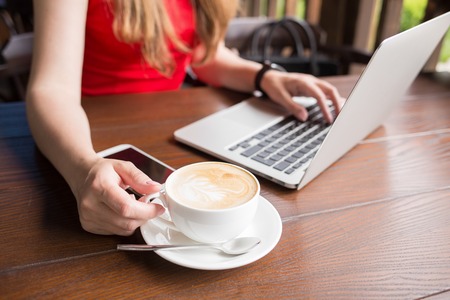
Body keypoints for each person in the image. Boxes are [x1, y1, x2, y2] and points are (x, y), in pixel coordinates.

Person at [26, 0, 344, 236]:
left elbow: (206, 57)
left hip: (171, 131)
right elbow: (51, 89)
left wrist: (265, 76)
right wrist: (84, 169)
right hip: (87, 140)